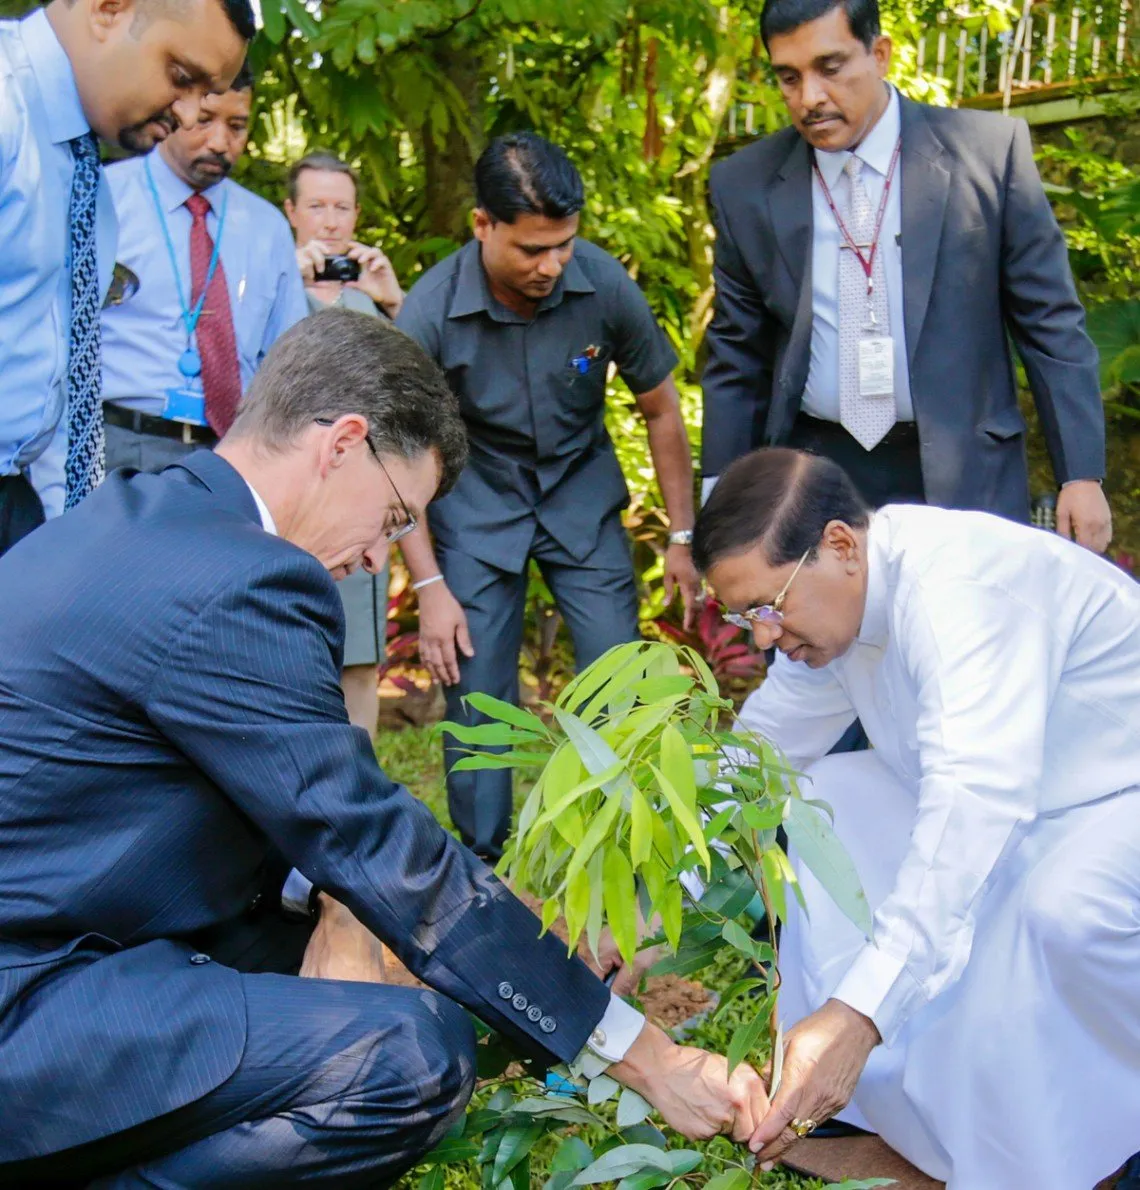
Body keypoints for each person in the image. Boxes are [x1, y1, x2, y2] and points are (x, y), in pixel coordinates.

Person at [0, 309, 771, 1185]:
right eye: (394, 516)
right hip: (28, 997)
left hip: (69, 924)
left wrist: (364, 911)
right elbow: (368, 839)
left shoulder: (148, 518)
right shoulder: (243, 577)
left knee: (370, 964)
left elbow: (280, 808)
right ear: (343, 444)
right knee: (407, 1057)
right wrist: (647, 1055)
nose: (378, 559)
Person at [691, 447, 1140, 1190]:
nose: (762, 637)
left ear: (840, 545)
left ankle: (1109, 1129)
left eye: (770, 607)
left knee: (1067, 909)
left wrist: (859, 1014)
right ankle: (894, 1106)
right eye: (744, 618)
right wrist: (648, 899)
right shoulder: (838, 612)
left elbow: (972, 807)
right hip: (1018, 807)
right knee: (826, 796)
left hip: (1116, 794)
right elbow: (758, 756)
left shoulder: (960, 591)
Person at [699, 0, 1113, 554]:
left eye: (830, 67)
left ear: (880, 54)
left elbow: (1051, 323)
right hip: (816, 475)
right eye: (789, 78)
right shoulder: (743, 186)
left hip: (965, 470)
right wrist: (719, 502)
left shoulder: (986, 155)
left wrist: (1081, 474)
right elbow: (737, 356)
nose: (810, 97)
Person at [396, 131, 702, 859]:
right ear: (482, 225)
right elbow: (400, 456)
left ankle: (619, 851)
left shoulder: (603, 284)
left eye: (564, 245)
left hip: (579, 500)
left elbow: (661, 409)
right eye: (533, 250)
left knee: (616, 680)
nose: (552, 265)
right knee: (478, 694)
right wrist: (430, 585)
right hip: (475, 507)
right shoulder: (429, 311)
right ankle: (484, 862)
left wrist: (683, 538)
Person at [0, 0, 253, 556]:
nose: (189, 115)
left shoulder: (82, 169)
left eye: (208, 94)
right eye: (181, 77)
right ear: (109, 9)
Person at [101, 62, 307, 469]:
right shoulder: (107, 199)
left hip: (230, 453)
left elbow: (288, 357)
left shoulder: (266, 227)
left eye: (237, 126)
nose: (219, 142)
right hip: (121, 443)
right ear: (173, 110)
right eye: (205, 120)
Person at [285, 150, 405, 737]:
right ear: (291, 212)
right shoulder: (272, 283)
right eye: (317, 206)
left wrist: (394, 302)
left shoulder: (369, 302)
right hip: (287, 498)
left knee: (358, 658)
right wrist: (288, 281)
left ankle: (361, 776)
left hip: (357, 497)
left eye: (342, 208)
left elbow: (410, 396)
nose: (330, 222)